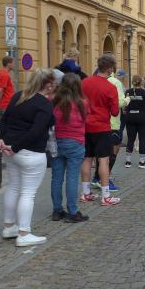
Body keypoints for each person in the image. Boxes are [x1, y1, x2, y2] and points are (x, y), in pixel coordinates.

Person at [0, 69, 56, 246]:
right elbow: (37, 131)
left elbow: (4, 120)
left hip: (10, 150)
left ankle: (9, 226)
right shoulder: (44, 104)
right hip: (30, 153)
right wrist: (15, 147)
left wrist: (1, 140)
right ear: (48, 85)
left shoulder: (18, 96)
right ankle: (24, 233)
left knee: (13, 187)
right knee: (28, 193)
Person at [81, 54, 121, 207]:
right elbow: (115, 112)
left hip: (85, 126)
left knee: (87, 159)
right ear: (109, 69)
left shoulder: (84, 83)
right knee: (103, 160)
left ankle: (85, 193)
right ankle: (105, 196)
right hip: (102, 127)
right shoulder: (110, 87)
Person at [50, 73, 90, 224]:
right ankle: (73, 211)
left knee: (56, 177)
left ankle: (57, 210)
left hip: (57, 142)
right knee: (72, 178)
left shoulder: (55, 101)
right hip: (76, 142)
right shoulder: (82, 102)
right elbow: (87, 118)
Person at [124, 76, 145, 169]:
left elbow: (125, 104)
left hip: (130, 117)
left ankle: (128, 161)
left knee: (130, 139)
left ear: (132, 82)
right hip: (142, 117)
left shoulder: (127, 92)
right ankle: (142, 162)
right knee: (142, 139)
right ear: (141, 82)